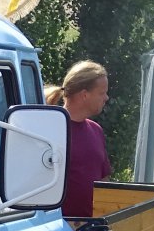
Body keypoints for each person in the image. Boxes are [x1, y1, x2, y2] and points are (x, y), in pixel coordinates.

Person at [46, 60, 112, 218]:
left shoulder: (96, 130)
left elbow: (104, 180)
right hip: (57, 228)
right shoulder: (48, 128)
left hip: (92, 230)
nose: (106, 98)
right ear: (84, 95)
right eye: (102, 93)